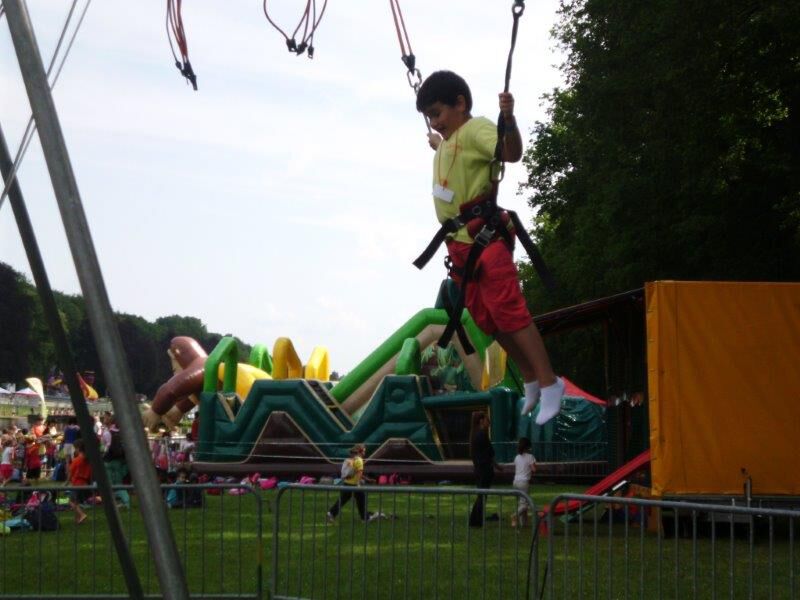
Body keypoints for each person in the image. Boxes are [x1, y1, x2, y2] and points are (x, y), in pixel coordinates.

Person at [415, 70, 564, 425]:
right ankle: (530, 378)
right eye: (430, 117)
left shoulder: (477, 129)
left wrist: (507, 120)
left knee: (509, 311)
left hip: (484, 239)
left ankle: (550, 382)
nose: (435, 123)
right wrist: (439, 142)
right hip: (459, 247)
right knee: (488, 319)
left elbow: (509, 152)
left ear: (460, 104)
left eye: (437, 113)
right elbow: (452, 152)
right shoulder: (448, 141)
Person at [326, 444, 374, 523]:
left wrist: (367, 479)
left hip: (347, 483)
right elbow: (359, 473)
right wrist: (358, 483)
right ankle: (365, 518)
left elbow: (356, 472)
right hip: (354, 485)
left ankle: (331, 513)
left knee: (343, 500)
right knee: (361, 500)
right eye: (364, 451)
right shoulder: (359, 460)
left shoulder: (352, 459)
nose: (364, 453)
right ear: (360, 452)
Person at [469, 411, 499, 527]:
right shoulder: (482, 435)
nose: (489, 422)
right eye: (487, 420)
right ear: (481, 421)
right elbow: (489, 452)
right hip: (484, 469)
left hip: (479, 469)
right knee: (482, 495)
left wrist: (496, 466)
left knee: (481, 495)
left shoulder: (475, 435)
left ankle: (476, 519)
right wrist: (494, 465)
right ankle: (476, 520)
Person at [103, 418, 130, 508]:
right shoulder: (124, 432)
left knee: (112, 484)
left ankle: (122, 502)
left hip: (109, 460)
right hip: (120, 460)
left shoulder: (107, 433)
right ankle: (123, 502)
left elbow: (106, 447)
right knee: (119, 483)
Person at [511, 437, 536, 528]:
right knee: (525, 504)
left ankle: (524, 523)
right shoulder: (530, 457)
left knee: (521, 503)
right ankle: (515, 515)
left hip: (516, 481)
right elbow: (534, 469)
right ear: (528, 447)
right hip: (524, 482)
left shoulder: (517, 457)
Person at [67, 439, 91, 524]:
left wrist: (66, 482)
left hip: (77, 483)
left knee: (71, 502)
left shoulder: (76, 460)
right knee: (77, 502)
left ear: (78, 448)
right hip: (85, 483)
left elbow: (70, 473)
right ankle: (78, 519)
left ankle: (82, 515)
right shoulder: (88, 460)